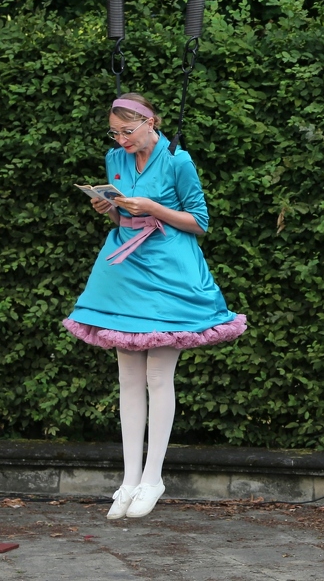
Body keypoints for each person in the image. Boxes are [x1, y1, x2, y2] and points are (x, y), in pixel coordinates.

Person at [63, 93, 247, 520]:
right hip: (124, 270)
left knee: (159, 376)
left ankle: (153, 478)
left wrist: (153, 208)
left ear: (151, 123)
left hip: (169, 271)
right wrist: (108, 208)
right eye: (114, 132)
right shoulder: (115, 158)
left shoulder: (178, 160)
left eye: (127, 131)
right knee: (127, 378)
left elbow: (200, 222)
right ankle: (129, 480)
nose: (121, 140)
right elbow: (122, 217)